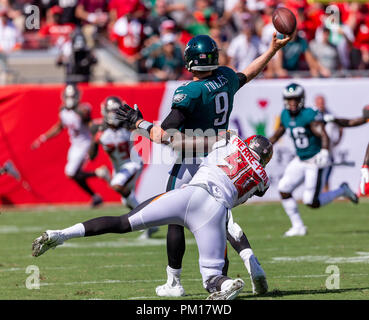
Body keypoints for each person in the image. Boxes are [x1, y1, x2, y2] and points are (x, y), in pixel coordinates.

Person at [110, 32, 293, 297]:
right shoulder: (226, 77)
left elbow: (164, 136)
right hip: (221, 157)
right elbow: (248, 73)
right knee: (219, 219)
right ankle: (228, 275)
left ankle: (174, 282)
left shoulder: (191, 90)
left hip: (192, 156)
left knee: (174, 218)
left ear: (189, 61)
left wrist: (138, 123)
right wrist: (273, 48)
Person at [32, 131, 273, 300]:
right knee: (211, 278)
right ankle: (229, 284)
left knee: (123, 222)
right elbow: (249, 191)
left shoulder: (231, 140)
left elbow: (212, 142)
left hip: (190, 194)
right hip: (215, 209)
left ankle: (61, 234)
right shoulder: (263, 179)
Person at [269, 83, 359, 237]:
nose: (292, 103)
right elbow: (278, 133)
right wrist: (265, 146)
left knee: (311, 202)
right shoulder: (284, 114)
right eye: (290, 99)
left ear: (301, 99)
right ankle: (298, 227)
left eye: (295, 99)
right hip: (300, 158)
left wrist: (324, 152)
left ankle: (341, 190)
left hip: (315, 159)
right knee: (284, 188)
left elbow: (323, 134)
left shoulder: (309, 114)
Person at [89, 96, 157, 239]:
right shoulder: (98, 128)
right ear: (104, 112)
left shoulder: (127, 125)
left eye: (116, 111)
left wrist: (139, 120)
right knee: (126, 199)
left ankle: (148, 222)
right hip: (119, 168)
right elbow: (92, 156)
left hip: (133, 163)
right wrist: (95, 141)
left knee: (117, 184)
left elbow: (145, 129)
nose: (113, 115)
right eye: (110, 111)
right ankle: (150, 224)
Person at [31, 84, 105, 207]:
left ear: (77, 96)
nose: (70, 99)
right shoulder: (63, 110)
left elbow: (89, 120)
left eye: (72, 96)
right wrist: (42, 138)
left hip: (85, 143)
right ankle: (96, 193)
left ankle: (98, 180)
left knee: (71, 172)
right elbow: (59, 127)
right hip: (75, 144)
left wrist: (81, 114)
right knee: (72, 174)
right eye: (68, 96)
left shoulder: (83, 109)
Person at [315, 94, 343, 192]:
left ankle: (325, 195)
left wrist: (337, 141)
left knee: (325, 176)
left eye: (322, 102)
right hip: (316, 150)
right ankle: (319, 195)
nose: (321, 104)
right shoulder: (312, 115)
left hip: (328, 150)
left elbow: (340, 127)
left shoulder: (330, 115)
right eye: (319, 102)